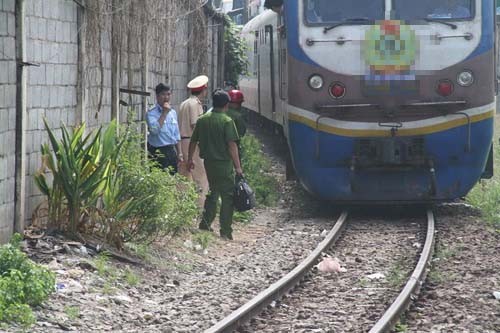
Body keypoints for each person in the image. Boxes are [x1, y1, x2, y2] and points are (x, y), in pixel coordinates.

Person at [187, 89, 243, 240]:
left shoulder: (203, 119)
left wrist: (190, 159)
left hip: (209, 163)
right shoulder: (226, 121)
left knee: (212, 193)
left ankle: (205, 224)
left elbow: (193, 141)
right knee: (227, 197)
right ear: (226, 105)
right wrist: (238, 167)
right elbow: (232, 146)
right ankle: (225, 231)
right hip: (224, 164)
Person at [178, 75, 209, 206]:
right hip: (192, 143)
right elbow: (196, 126)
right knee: (200, 176)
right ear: (203, 90)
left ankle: (182, 206)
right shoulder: (195, 104)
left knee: (184, 176)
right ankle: (200, 207)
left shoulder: (184, 103)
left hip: (182, 141)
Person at [146, 83, 182, 174]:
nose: (166, 97)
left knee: (171, 180)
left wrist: (179, 153)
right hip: (157, 151)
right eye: (163, 94)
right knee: (158, 180)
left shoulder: (173, 112)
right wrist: (164, 113)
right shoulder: (151, 113)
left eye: (168, 94)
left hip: (170, 150)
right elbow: (154, 131)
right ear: (157, 96)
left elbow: (176, 135)